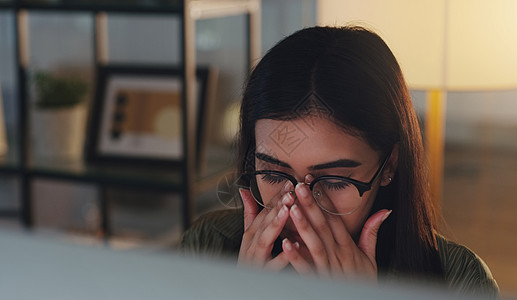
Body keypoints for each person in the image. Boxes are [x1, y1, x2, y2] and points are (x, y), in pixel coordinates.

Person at [181, 26, 498, 297]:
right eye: (273, 173)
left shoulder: (458, 280)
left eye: (335, 181)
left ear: (388, 165)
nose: (298, 208)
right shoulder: (208, 246)